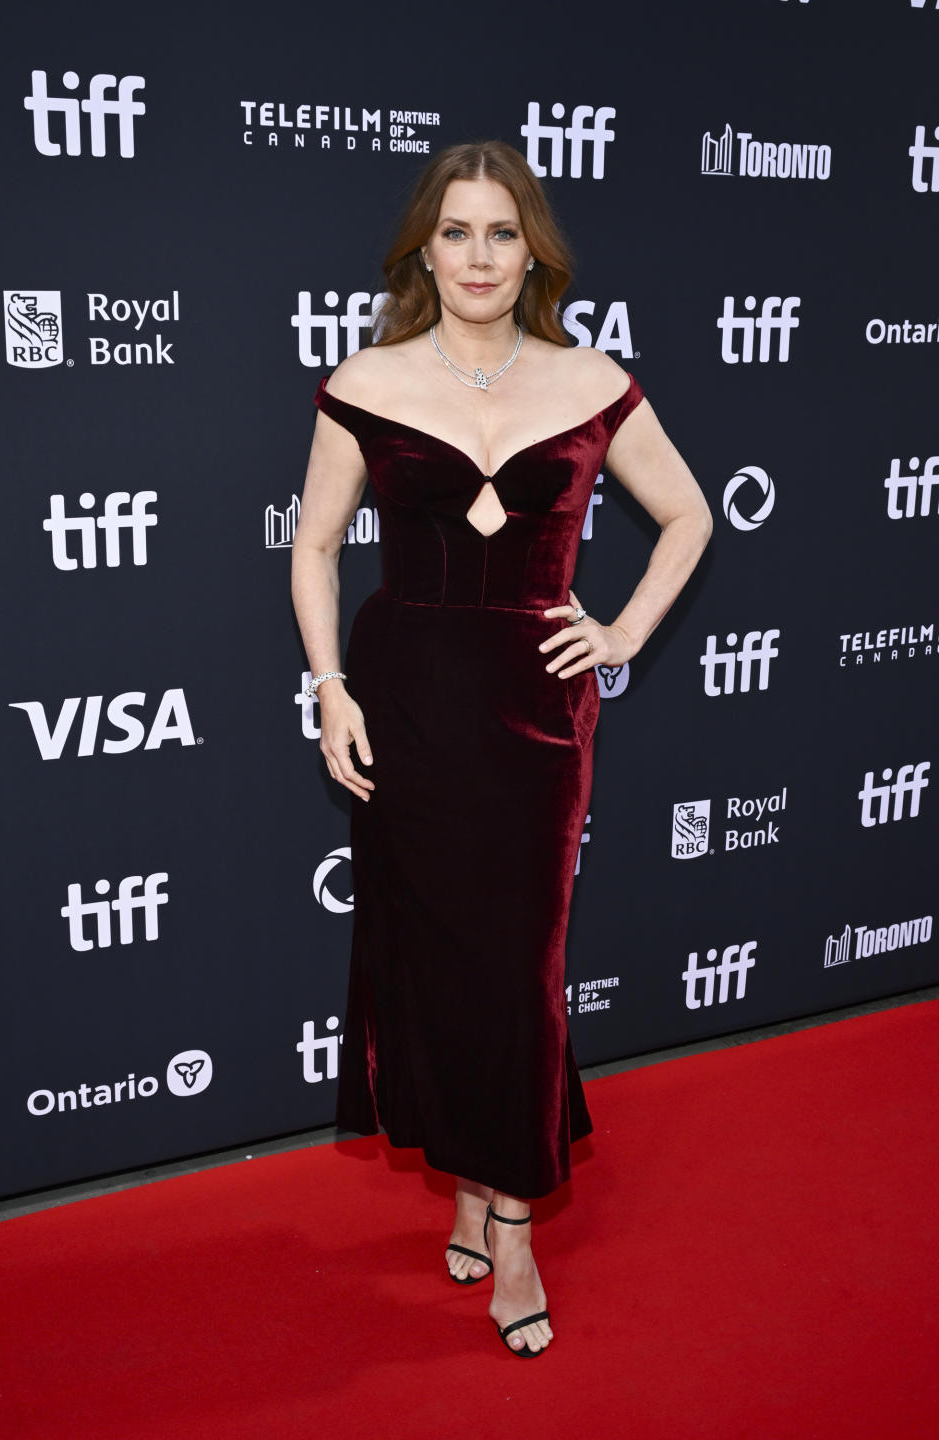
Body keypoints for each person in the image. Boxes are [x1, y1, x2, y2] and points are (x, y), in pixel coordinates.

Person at [290, 140, 712, 1357]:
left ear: (534, 253)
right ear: (427, 248)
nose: (480, 256)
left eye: (503, 234)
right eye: (459, 232)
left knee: (522, 962)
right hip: (406, 697)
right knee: (432, 957)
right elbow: (315, 544)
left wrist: (621, 627)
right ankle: (469, 1178)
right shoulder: (367, 379)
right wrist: (330, 688)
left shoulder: (590, 379)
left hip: (534, 711)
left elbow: (687, 512)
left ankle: (514, 1215)